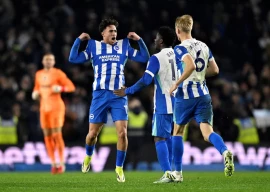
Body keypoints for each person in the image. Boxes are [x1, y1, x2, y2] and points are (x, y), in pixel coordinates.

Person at [69, 18, 149, 182]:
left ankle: (119, 168)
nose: (114, 33)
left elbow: (144, 57)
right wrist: (79, 40)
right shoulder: (93, 46)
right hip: (100, 95)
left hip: (118, 95)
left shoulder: (124, 45)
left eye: (115, 31)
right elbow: (73, 59)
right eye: (111, 31)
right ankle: (88, 156)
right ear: (103, 33)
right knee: (92, 135)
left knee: (122, 133)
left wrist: (139, 40)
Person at [169, 15, 234, 180]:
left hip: (185, 96)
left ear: (178, 31)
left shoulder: (179, 48)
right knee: (207, 132)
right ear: (190, 29)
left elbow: (190, 65)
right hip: (203, 95)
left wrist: (177, 83)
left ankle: (177, 173)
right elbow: (215, 70)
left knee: (177, 132)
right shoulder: (204, 46)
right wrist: (200, 74)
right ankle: (225, 151)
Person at [114, 26, 177, 183]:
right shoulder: (179, 55)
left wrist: (127, 91)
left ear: (161, 41)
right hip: (178, 103)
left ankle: (167, 173)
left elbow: (145, 81)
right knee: (169, 137)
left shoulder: (156, 58)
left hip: (164, 104)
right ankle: (174, 171)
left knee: (159, 138)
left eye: (156, 37)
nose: (155, 40)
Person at [32, 53, 75, 174]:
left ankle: (61, 163)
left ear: (54, 62)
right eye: (46, 59)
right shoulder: (38, 74)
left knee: (57, 135)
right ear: (42, 61)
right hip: (43, 108)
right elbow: (37, 87)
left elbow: (71, 87)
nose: (48, 61)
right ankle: (53, 163)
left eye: (51, 59)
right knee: (47, 136)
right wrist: (35, 92)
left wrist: (61, 89)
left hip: (56, 107)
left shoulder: (58, 73)